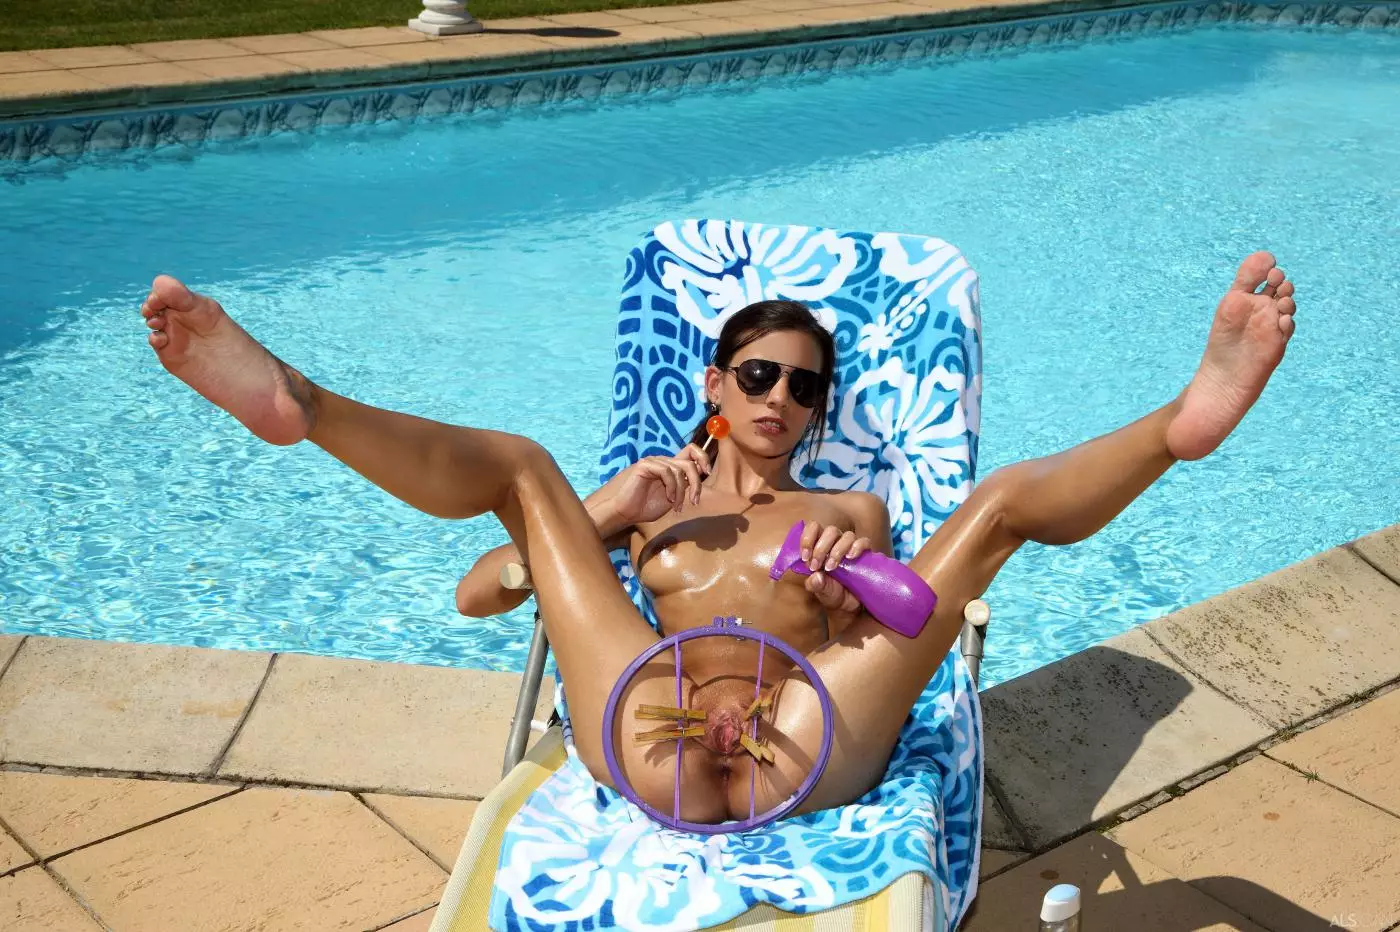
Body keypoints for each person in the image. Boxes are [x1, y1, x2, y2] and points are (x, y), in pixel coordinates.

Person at [140, 252, 1295, 824]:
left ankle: (1177, 424)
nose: (778, 398)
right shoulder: (646, 504)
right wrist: (603, 516)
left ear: (817, 409)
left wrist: (850, 589)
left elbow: (896, 629)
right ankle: (303, 402)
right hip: (656, 725)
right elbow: (480, 595)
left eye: (803, 386)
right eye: (756, 374)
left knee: (989, 511)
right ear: (713, 382)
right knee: (521, 468)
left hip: (805, 734)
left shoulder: (848, 514)